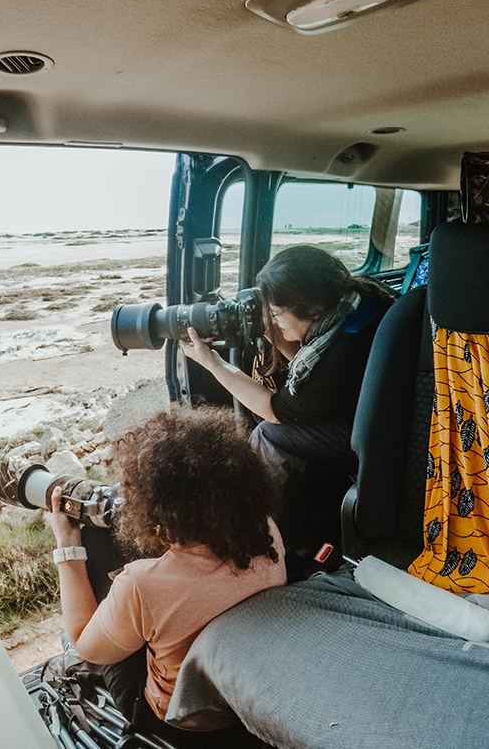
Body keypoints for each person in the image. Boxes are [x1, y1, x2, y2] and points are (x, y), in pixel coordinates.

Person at [43, 406, 286, 745]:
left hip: (181, 721)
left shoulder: (141, 584)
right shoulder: (267, 532)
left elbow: (88, 647)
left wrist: (67, 545)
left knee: (96, 543)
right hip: (250, 699)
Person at [178, 245, 395, 565]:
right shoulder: (359, 305)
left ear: (310, 307)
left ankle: (258, 543)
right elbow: (311, 391)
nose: (274, 323)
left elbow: (277, 410)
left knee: (268, 435)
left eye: (277, 314)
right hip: (384, 421)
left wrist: (212, 363)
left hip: (375, 443)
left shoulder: (339, 354)